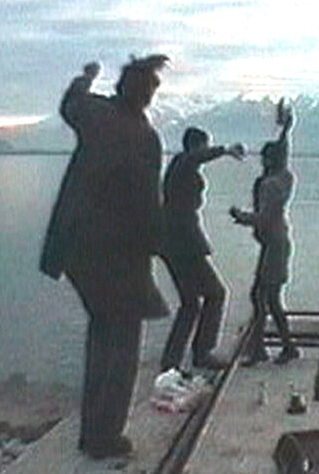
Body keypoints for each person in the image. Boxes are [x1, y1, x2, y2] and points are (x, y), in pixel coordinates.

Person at [39, 55, 171, 459]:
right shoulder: (144, 137)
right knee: (123, 345)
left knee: (101, 333)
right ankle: (104, 436)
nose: (150, 97)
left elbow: (70, 103)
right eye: (150, 90)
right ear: (142, 93)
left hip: (75, 249)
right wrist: (159, 246)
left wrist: (86, 76)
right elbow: (149, 203)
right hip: (119, 255)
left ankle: (90, 431)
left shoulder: (94, 113)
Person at [158, 127, 246, 372]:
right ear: (197, 146)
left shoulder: (180, 167)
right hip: (183, 243)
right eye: (204, 146)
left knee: (190, 304)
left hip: (174, 242)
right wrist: (225, 150)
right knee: (216, 294)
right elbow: (196, 157)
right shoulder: (184, 163)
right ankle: (202, 352)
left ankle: (172, 361)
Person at [230, 100, 300, 366]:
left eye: (264, 157)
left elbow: (265, 218)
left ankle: (266, 348)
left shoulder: (270, 184)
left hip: (274, 245)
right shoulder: (285, 177)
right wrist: (286, 129)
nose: (261, 161)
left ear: (268, 160)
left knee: (262, 297)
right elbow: (283, 152)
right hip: (278, 243)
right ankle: (277, 347)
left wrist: (241, 216)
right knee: (267, 297)